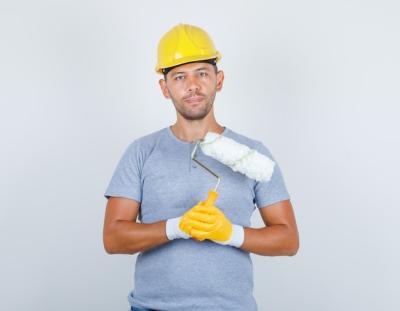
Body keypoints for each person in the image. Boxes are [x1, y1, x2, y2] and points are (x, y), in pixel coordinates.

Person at [103, 23, 299, 311]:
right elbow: (113, 238)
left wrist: (230, 233)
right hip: (152, 308)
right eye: (179, 76)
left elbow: (288, 239)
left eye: (202, 74)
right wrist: (176, 227)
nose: (192, 85)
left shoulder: (252, 154)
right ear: (164, 88)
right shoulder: (141, 152)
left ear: (218, 80)